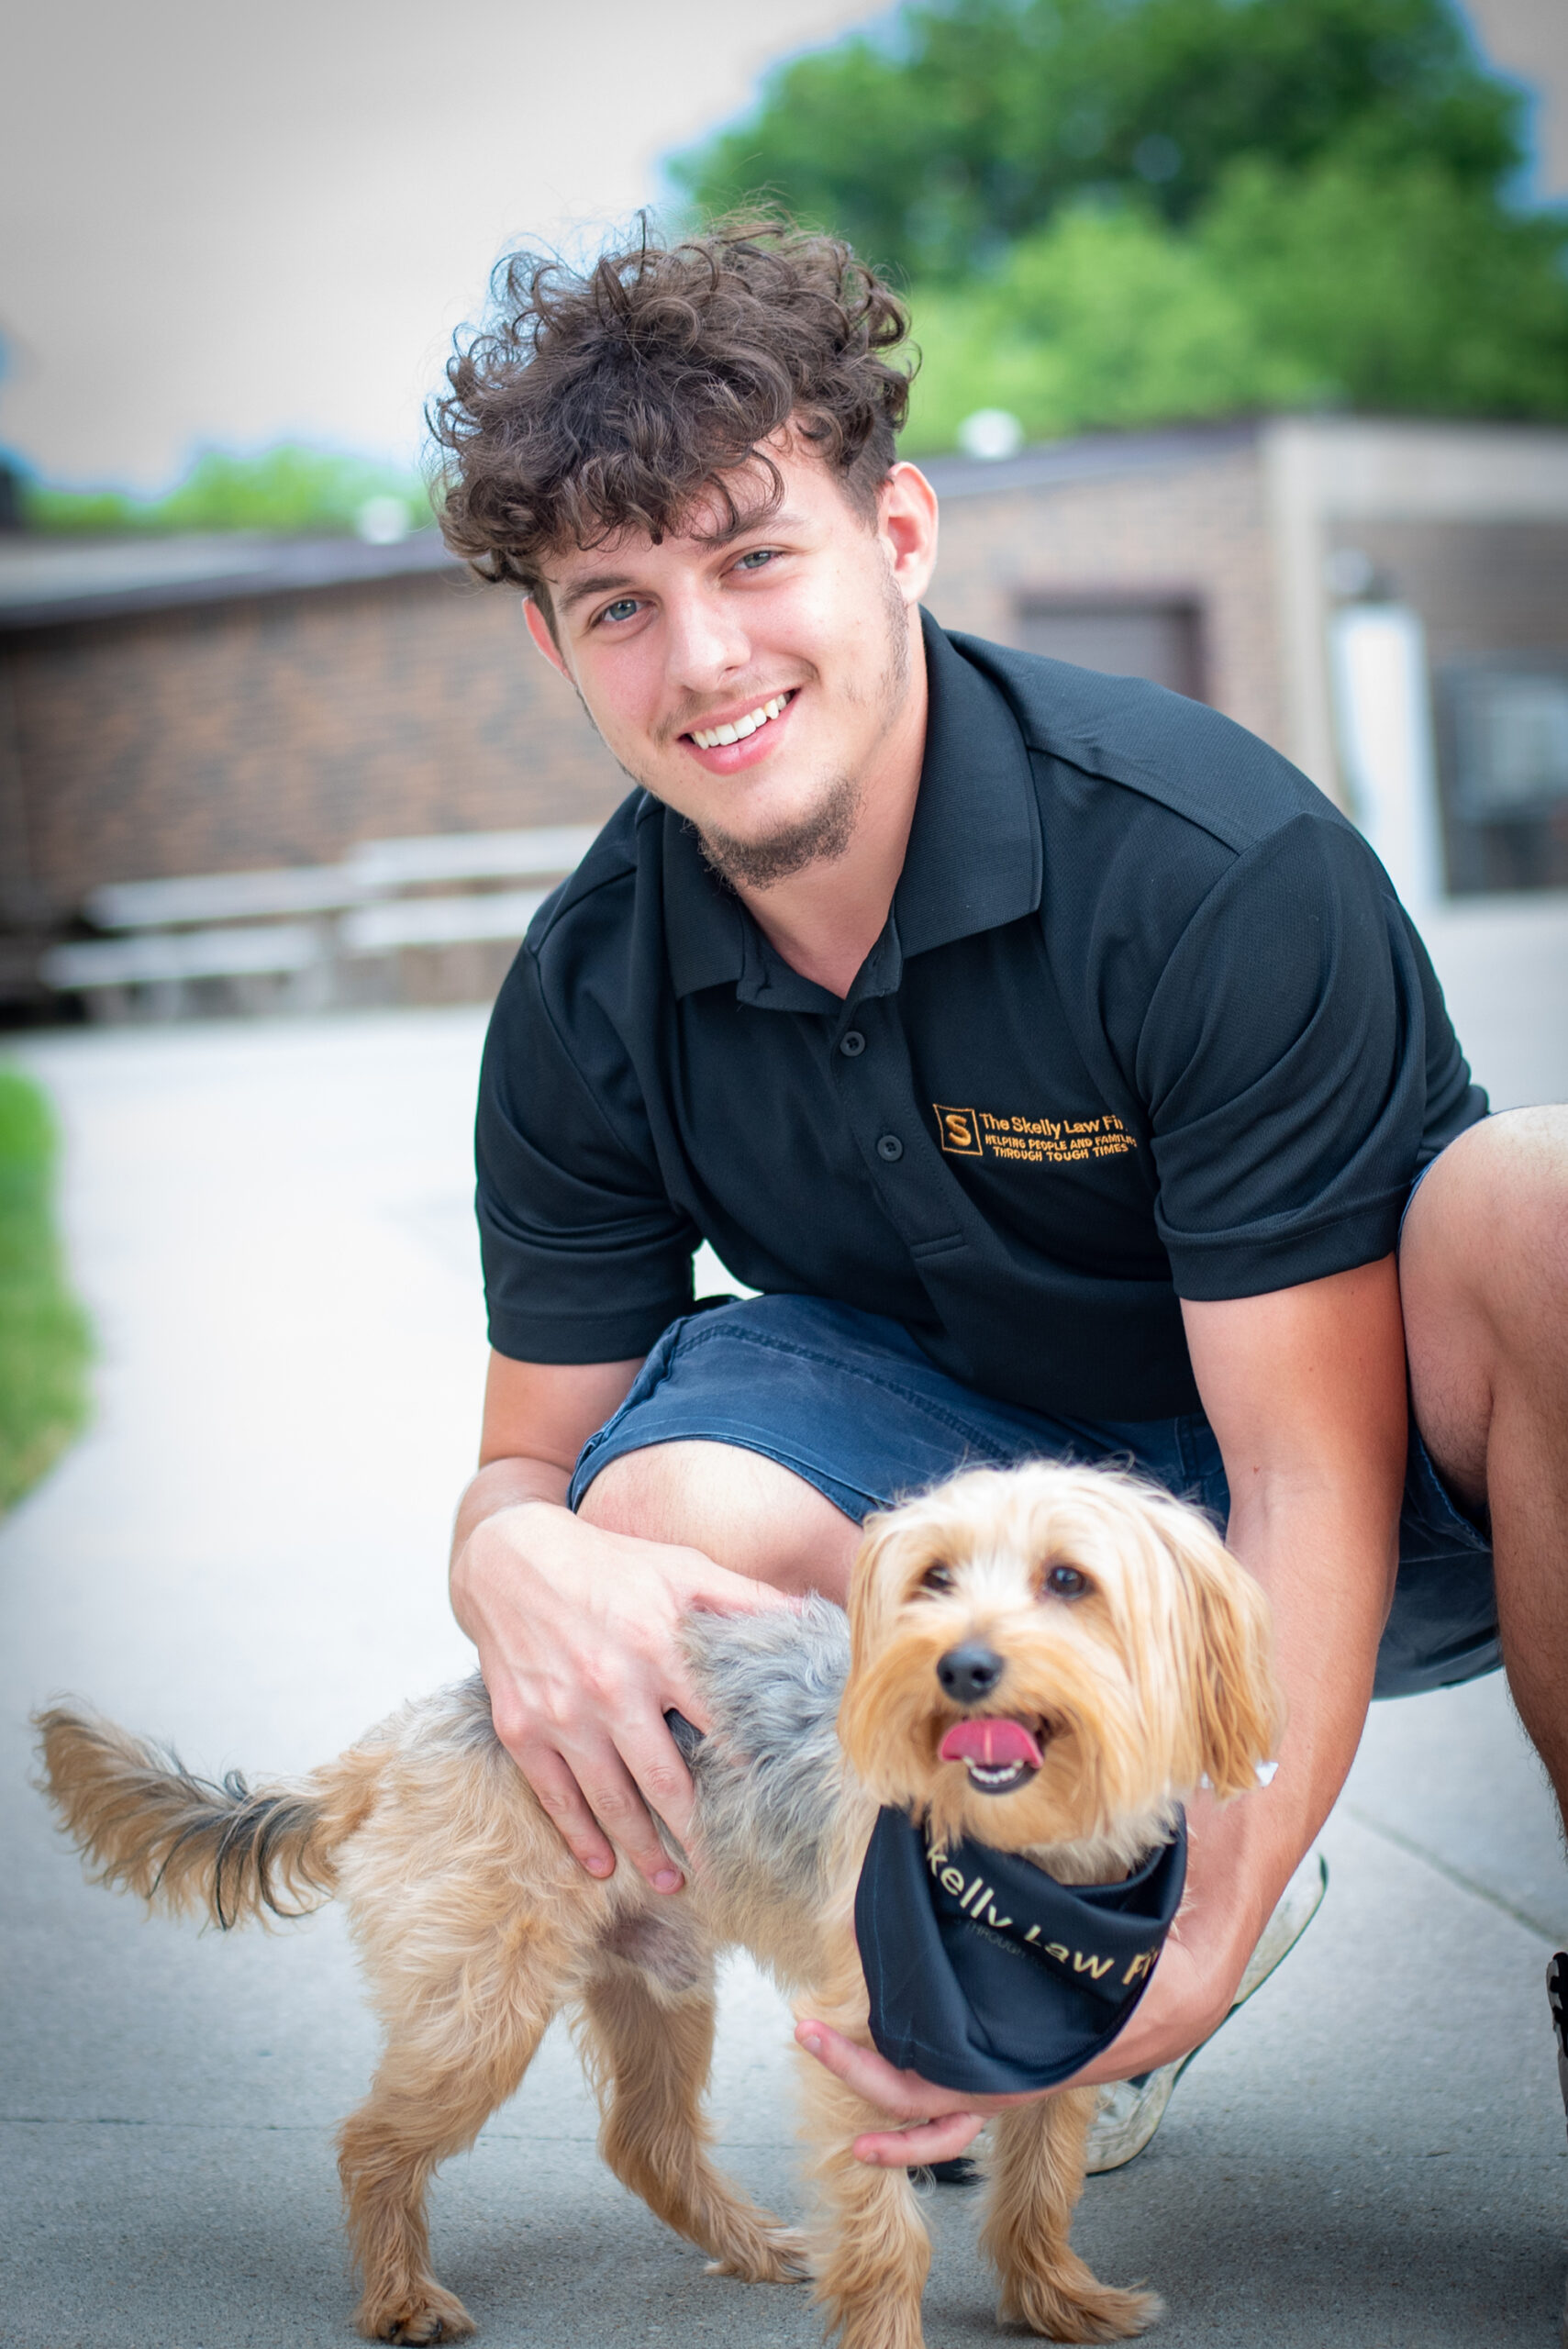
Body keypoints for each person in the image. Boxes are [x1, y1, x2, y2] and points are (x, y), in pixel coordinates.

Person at [436, 218, 1568, 2171]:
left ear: (896, 537)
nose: (701, 660)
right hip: (971, 1524)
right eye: (616, 602)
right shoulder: (583, 985)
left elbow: (1303, 1475)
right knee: (648, 1513)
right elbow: (526, 1461)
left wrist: (1211, 1925)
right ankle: (1032, 1938)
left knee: (1542, 1204)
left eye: (751, 553)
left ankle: (1184, 1897)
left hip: (1376, 1479)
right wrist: (501, 1549)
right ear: (552, 643)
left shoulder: (1203, 860)